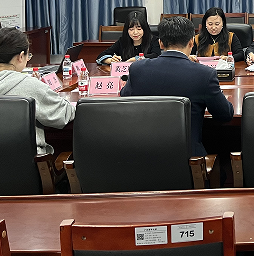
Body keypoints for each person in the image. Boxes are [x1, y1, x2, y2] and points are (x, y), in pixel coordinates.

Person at [121, 16, 233, 157]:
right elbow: (225, 115)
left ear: (161, 43)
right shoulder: (204, 74)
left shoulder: (137, 69)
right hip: (188, 158)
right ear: (191, 42)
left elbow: (124, 98)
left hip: (142, 154)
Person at [0, 27, 75, 155]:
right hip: (24, 163)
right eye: (28, 55)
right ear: (20, 56)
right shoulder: (31, 86)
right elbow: (64, 115)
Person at [96, 11, 161, 64]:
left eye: (139, 29)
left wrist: (136, 59)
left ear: (145, 29)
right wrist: (110, 60)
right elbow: (101, 56)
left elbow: (156, 56)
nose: (135, 32)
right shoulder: (122, 41)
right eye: (131, 29)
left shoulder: (154, 40)